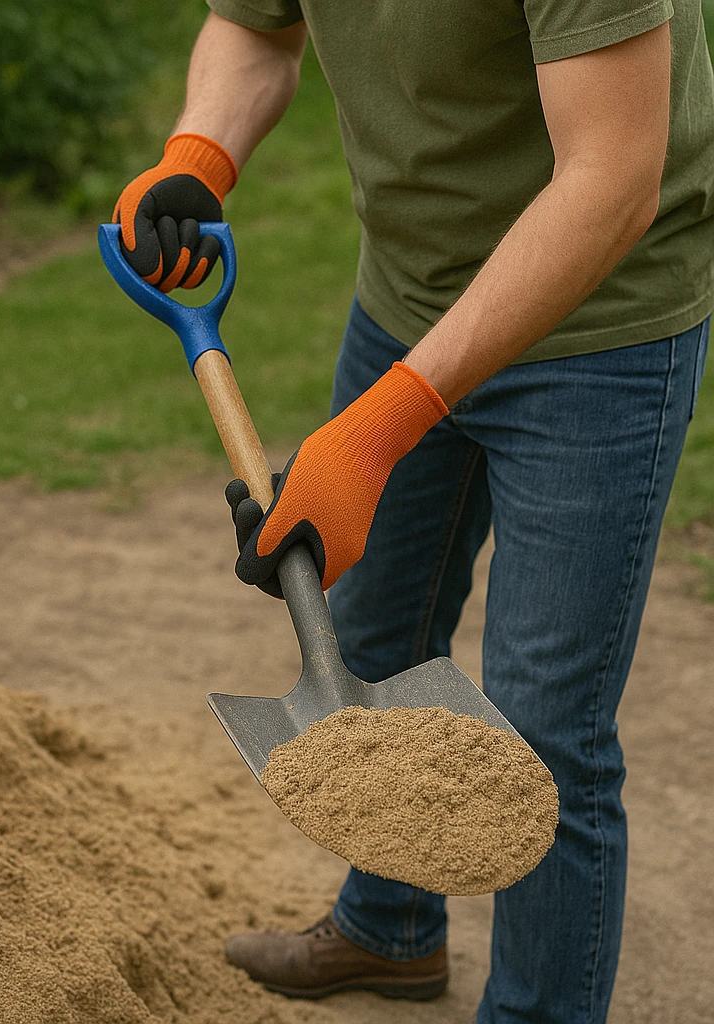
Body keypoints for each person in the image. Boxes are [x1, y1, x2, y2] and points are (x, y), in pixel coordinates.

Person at [112, 2, 713, 1021]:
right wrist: (197, 153)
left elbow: (611, 179)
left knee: (541, 727)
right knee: (375, 631)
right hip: (408, 293)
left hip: (599, 332)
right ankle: (388, 929)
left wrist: (382, 424)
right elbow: (256, 30)